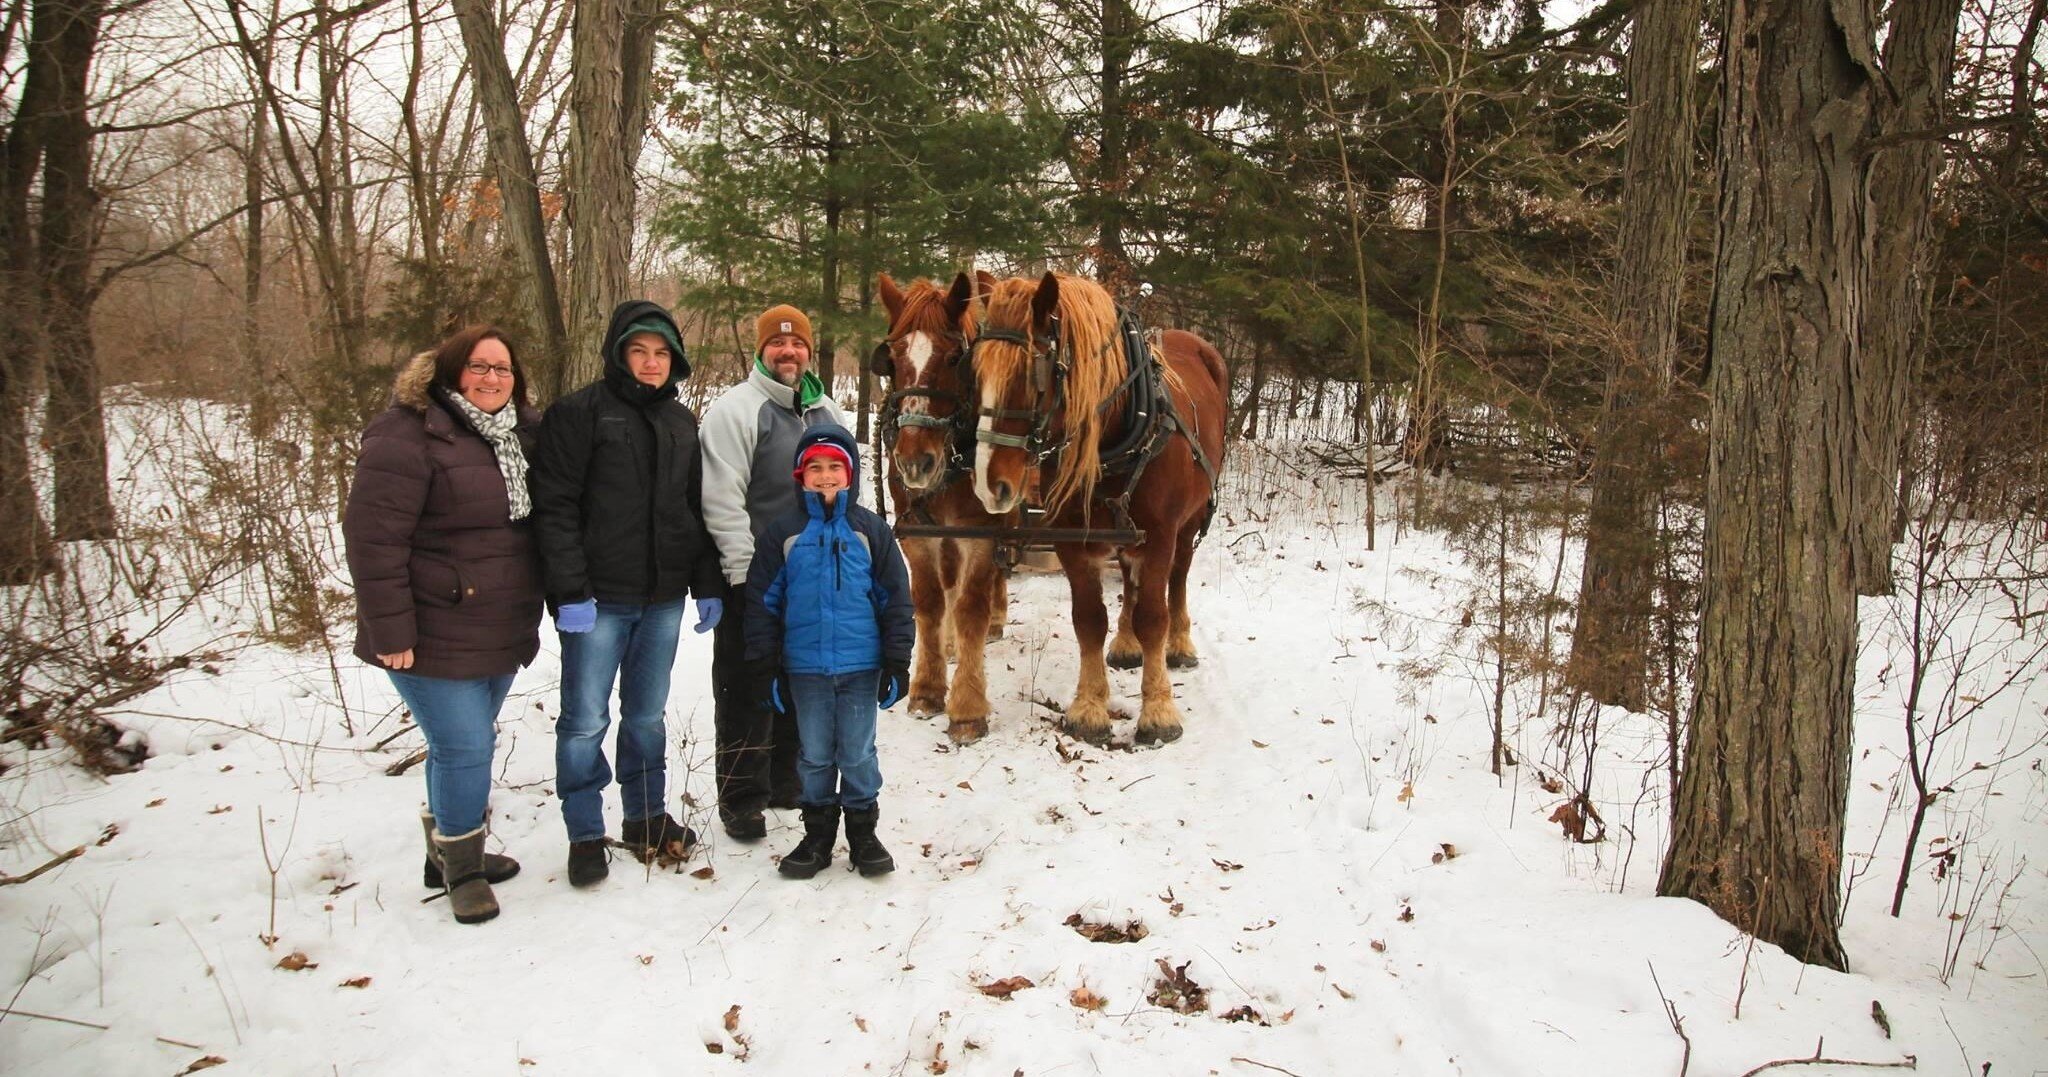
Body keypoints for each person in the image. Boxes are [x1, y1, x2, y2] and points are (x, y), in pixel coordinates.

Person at [344, 326, 543, 925]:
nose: (492, 378)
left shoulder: (519, 434)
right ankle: (464, 871)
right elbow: (373, 541)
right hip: (430, 629)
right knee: (466, 747)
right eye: (479, 367)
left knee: (459, 746)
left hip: (498, 624)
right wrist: (391, 630)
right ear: (450, 371)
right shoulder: (405, 435)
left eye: (503, 369)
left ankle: (448, 854)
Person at [530, 300, 724, 888]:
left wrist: (706, 582)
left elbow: (693, 509)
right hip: (598, 602)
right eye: (638, 351)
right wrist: (570, 591)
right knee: (585, 721)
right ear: (619, 354)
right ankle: (585, 833)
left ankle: (644, 816)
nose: (650, 362)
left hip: (662, 599)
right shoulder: (577, 414)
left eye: (661, 353)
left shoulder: (681, 422)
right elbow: (555, 507)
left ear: (675, 360)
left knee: (645, 716)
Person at [701, 304, 849, 841]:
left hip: (814, 578)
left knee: (799, 680)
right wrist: (743, 574)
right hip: (756, 579)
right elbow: (722, 498)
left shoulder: (828, 412)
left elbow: (848, 492)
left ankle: (787, 780)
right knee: (747, 687)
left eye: (797, 343)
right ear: (761, 350)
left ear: (808, 350)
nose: (789, 351)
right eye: (777, 343)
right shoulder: (736, 411)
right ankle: (742, 797)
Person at [743, 423, 912, 878]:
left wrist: (896, 660)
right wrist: (765, 665)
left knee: (857, 753)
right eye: (814, 467)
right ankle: (817, 834)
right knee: (815, 754)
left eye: (835, 466)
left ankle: (863, 832)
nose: (825, 476)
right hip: (806, 668)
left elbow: (896, 599)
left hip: (861, 666)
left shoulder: (870, 530)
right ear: (800, 475)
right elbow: (762, 603)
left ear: (850, 473)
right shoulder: (784, 533)